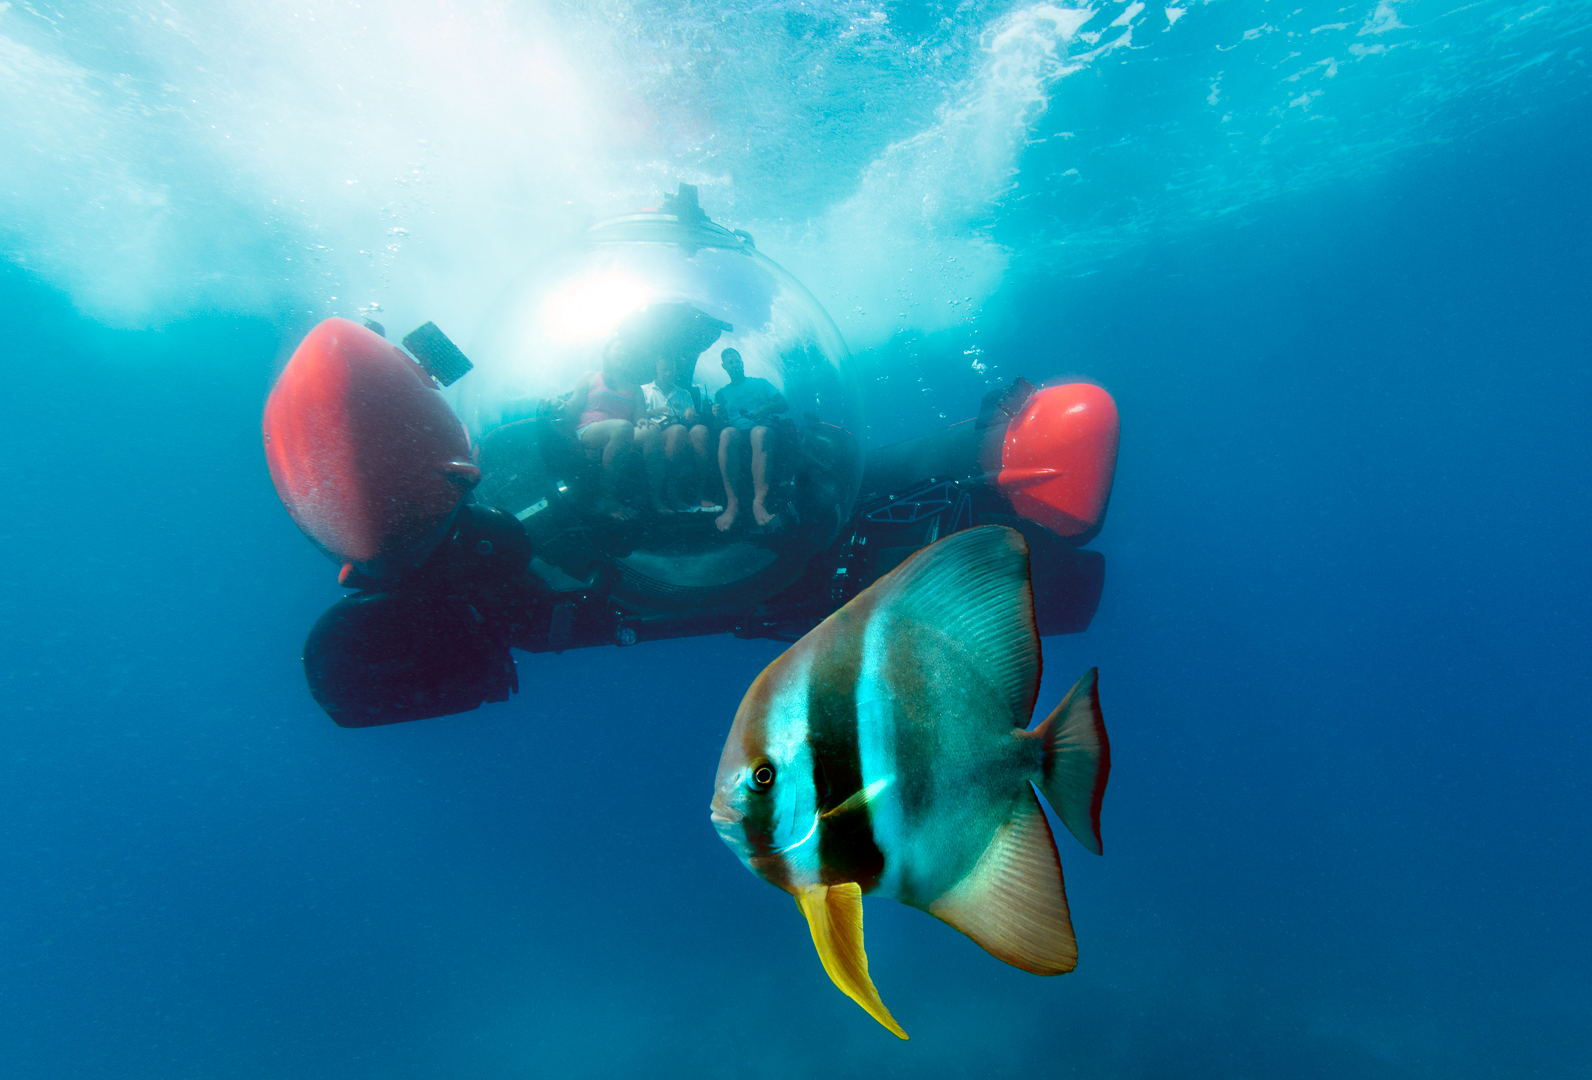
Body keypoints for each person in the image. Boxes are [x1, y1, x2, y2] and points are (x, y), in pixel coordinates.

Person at [565, 341, 645, 520]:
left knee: (650, 433)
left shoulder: (635, 388)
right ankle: (606, 497)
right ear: (607, 353)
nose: (624, 353)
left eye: (627, 351)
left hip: (623, 433)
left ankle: (657, 498)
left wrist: (646, 422)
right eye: (619, 348)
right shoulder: (591, 377)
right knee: (623, 427)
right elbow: (573, 405)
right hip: (590, 429)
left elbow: (640, 419)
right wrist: (559, 407)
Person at [712, 348, 787, 531]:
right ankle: (732, 504)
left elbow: (783, 404)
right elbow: (718, 425)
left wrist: (768, 408)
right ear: (724, 367)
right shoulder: (721, 393)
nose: (735, 364)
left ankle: (758, 503)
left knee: (758, 432)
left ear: (742, 363)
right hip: (738, 433)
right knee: (726, 434)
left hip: (763, 429)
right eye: (730, 362)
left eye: (738, 361)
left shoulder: (761, 383)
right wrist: (715, 415)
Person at [638, 354, 714, 513]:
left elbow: (691, 421)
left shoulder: (684, 393)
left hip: (680, 431)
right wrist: (650, 413)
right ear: (656, 369)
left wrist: (691, 412)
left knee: (700, 431)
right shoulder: (643, 390)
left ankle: (700, 491)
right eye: (664, 369)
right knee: (678, 431)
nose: (668, 373)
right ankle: (671, 491)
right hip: (654, 434)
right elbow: (635, 417)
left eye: (671, 370)